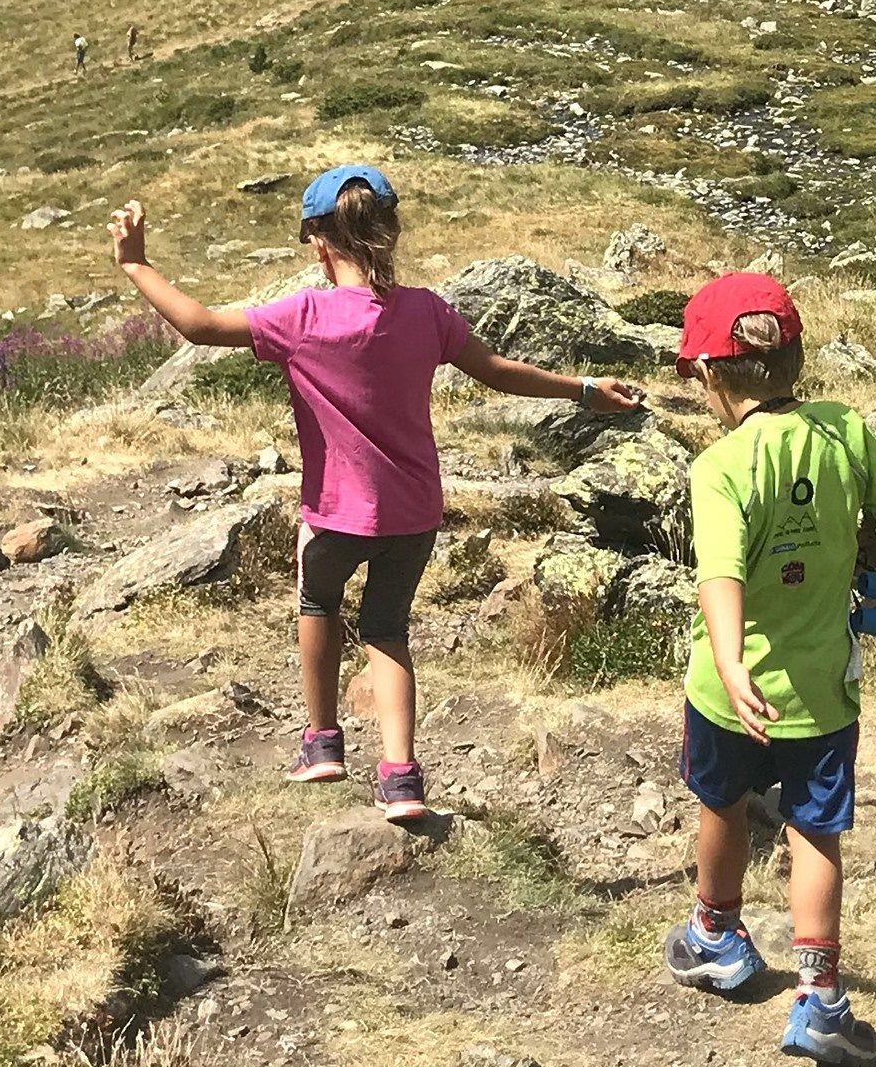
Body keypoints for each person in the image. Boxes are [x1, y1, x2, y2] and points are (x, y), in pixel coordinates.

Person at [109, 163, 643, 818]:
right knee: (388, 631)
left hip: (334, 513)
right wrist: (584, 389)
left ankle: (323, 743)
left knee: (317, 600)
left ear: (317, 241)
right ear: (389, 231)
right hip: (414, 513)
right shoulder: (427, 312)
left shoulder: (303, 315)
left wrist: (136, 264)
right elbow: (499, 373)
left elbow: (198, 324)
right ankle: (401, 778)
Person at [666, 271, 876, 1067]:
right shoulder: (846, 431)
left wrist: (736, 658)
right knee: (817, 827)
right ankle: (819, 997)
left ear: (710, 375)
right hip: (823, 686)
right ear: (798, 359)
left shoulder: (719, 467)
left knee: (723, 801)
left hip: (725, 685)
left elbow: (720, 574)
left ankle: (715, 933)